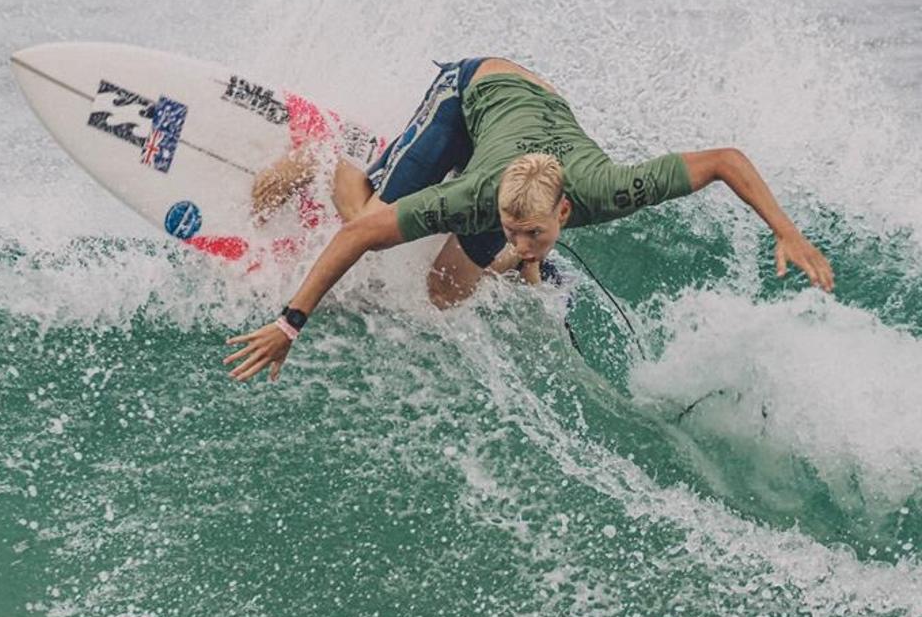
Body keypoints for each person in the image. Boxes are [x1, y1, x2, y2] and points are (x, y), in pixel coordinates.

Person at [223, 57, 834, 382]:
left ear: (565, 211)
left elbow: (725, 160)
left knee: (445, 292)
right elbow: (356, 236)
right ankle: (324, 162)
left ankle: (431, 201)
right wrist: (290, 324)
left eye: (532, 234)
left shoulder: (610, 189)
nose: (519, 239)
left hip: (536, 101)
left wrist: (787, 230)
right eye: (512, 230)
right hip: (474, 89)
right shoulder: (477, 196)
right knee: (369, 218)